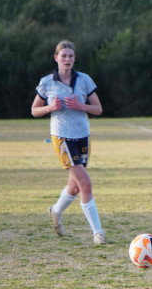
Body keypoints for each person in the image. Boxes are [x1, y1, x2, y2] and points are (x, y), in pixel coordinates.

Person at [31, 40, 107, 245]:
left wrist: (80, 105)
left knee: (74, 188)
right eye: (63, 56)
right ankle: (98, 233)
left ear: (74, 59)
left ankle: (55, 211)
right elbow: (34, 110)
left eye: (70, 56)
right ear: (56, 58)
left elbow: (98, 109)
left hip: (82, 136)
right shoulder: (47, 82)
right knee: (85, 184)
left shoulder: (84, 80)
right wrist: (50, 108)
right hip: (62, 137)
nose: (67, 59)